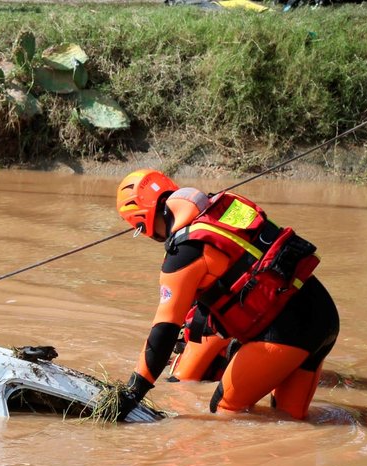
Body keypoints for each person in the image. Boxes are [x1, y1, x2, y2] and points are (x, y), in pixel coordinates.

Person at [104, 169, 339, 421]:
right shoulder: (223, 208)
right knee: (289, 421)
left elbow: (163, 331)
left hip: (284, 333)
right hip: (324, 317)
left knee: (226, 414)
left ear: (142, 220)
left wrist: (133, 391)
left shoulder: (182, 255)